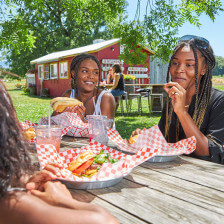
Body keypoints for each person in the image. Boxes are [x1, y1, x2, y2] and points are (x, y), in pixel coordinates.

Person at [0, 80, 119, 224]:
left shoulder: (105, 97)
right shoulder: (13, 205)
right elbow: (106, 220)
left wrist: (23, 180)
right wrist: (63, 200)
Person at [132, 35, 224, 164]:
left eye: (189, 65)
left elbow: (208, 152)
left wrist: (182, 113)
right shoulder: (173, 99)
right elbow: (163, 141)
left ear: (203, 69)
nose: (179, 69)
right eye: (175, 63)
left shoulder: (219, 101)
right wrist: (145, 137)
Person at [61, 54, 115, 122]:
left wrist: (82, 121)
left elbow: (106, 130)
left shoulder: (105, 98)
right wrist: (59, 116)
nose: (91, 76)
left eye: (95, 72)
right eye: (85, 71)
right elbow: (52, 126)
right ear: (73, 73)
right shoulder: (68, 96)